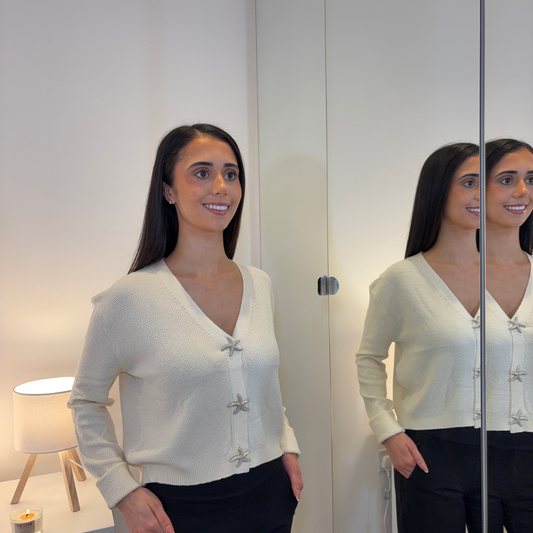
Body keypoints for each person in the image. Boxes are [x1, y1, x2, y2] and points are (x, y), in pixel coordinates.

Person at [68, 124, 302, 533]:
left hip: (270, 494)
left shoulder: (260, 284)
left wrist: (287, 446)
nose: (221, 187)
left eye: (231, 174)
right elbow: (85, 402)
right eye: (202, 173)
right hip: (179, 511)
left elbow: (264, 387)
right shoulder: (127, 300)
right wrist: (121, 489)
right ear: (168, 191)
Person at [356, 143, 483, 532]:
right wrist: (388, 429)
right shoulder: (402, 280)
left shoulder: (518, 275)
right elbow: (369, 358)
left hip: (509, 447)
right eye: (469, 183)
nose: (482, 194)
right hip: (428, 450)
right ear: (438, 191)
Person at [484, 138, 533, 532]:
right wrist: (389, 430)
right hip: (466, 450)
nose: (523, 191)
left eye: (531, 179)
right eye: (507, 179)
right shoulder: (442, 277)